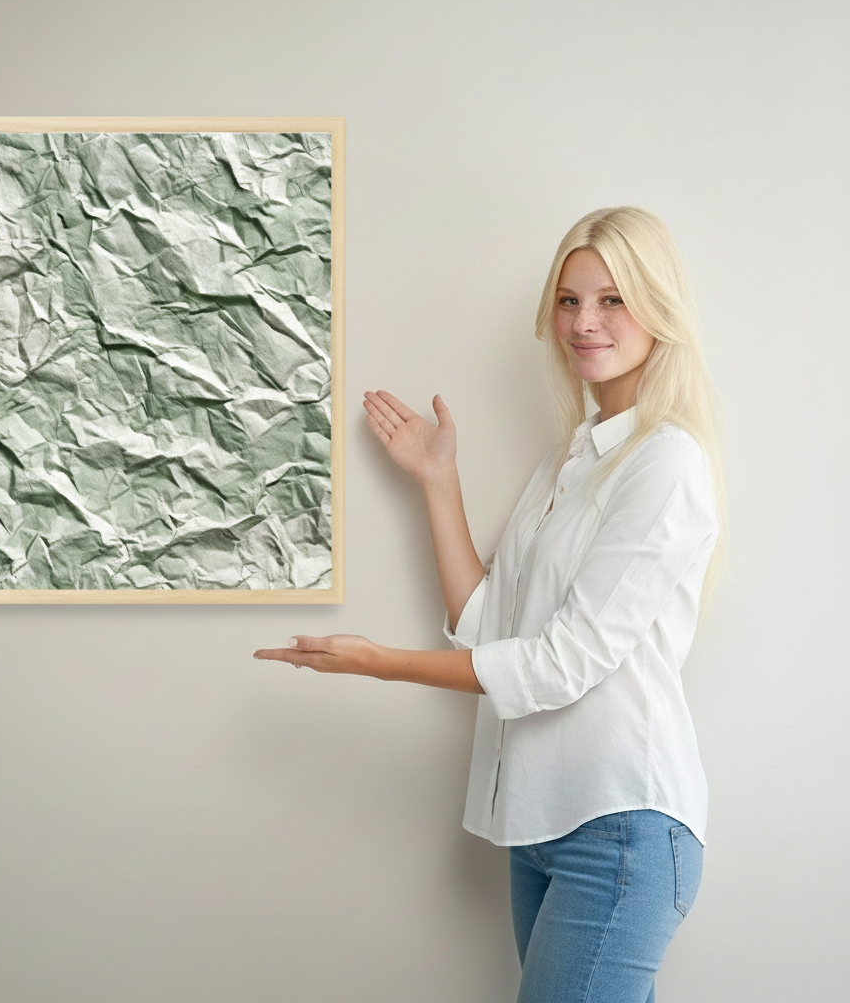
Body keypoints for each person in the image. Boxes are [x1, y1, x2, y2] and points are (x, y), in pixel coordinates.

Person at [254, 206, 724, 1003]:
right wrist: (439, 483)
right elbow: (490, 629)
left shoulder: (665, 463)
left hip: (619, 831)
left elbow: (558, 665)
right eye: (570, 300)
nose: (584, 321)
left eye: (612, 299)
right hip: (540, 830)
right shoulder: (571, 458)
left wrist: (381, 666)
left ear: (660, 309)